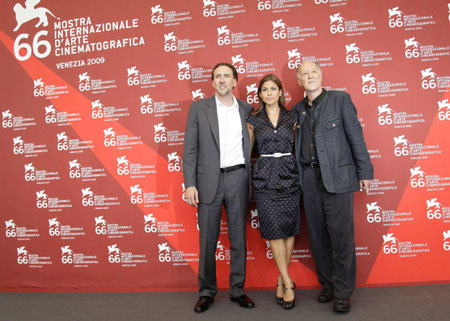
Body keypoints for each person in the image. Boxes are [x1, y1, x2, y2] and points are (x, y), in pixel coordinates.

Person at [292, 61, 373, 313]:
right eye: (304, 73)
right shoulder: (296, 110)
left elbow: (355, 137)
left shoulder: (340, 100)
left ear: (321, 74)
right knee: (317, 238)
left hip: (338, 179)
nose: (310, 76)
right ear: (299, 81)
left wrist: (365, 171)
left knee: (341, 237)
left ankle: (343, 291)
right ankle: (326, 284)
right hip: (309, 179)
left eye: (313, 71)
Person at [183, 62, 255, 313]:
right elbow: (190, 149)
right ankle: (206, 292)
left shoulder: (248, 110)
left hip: (238, 178)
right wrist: (190, 184)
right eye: (218, 77)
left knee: (238, 238)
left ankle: (237, 290)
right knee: (207, 241)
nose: (222, 80)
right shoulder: (198, 108)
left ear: (235, 81)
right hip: (207, 182)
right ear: (212, 82)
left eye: (227, 76)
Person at [246, 74, 300, 310]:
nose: (269, 93)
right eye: (264, 90)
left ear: (280, 92)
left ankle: (281, 280)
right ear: (260, 94)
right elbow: (247, 152)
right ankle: (289, 282)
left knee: (288, 231)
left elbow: (297, 148)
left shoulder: (293, 117)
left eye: (273, 89)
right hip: (265, 177)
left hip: (290, 175)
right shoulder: (253, 120)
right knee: (274, 231)